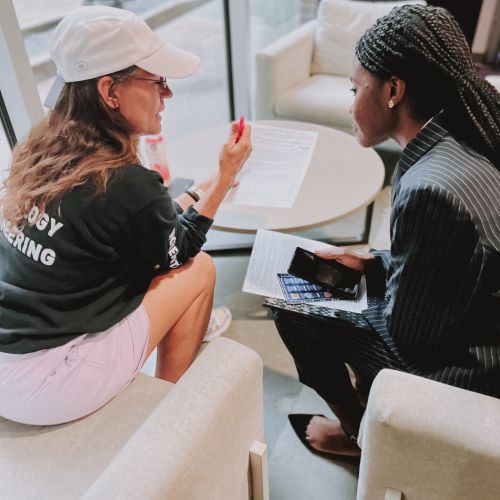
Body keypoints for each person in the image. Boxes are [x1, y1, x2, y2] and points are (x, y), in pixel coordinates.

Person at [0, 6, 252, 425]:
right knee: (200, 271)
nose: (167, 95)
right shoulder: (123, 181)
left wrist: (197, 191)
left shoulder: (43, 148)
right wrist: (224, 180)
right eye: (156, 82)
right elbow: (178, 249)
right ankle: (168, 418)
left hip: (8, 353)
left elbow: (139, 225)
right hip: (42, 385)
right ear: (109, 91)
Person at [272, 4, 500, 458]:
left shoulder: (430, 189)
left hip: (467, 373)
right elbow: (454, 263)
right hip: (480, 330)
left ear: (393, 90)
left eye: (355, 88)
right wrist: (371, 262)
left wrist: (344, 290)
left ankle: (361, 434)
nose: (350, 102)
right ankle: (367, 413)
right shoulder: (473, 135)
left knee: (289, 297)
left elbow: (411, 334)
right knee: (320, 277)